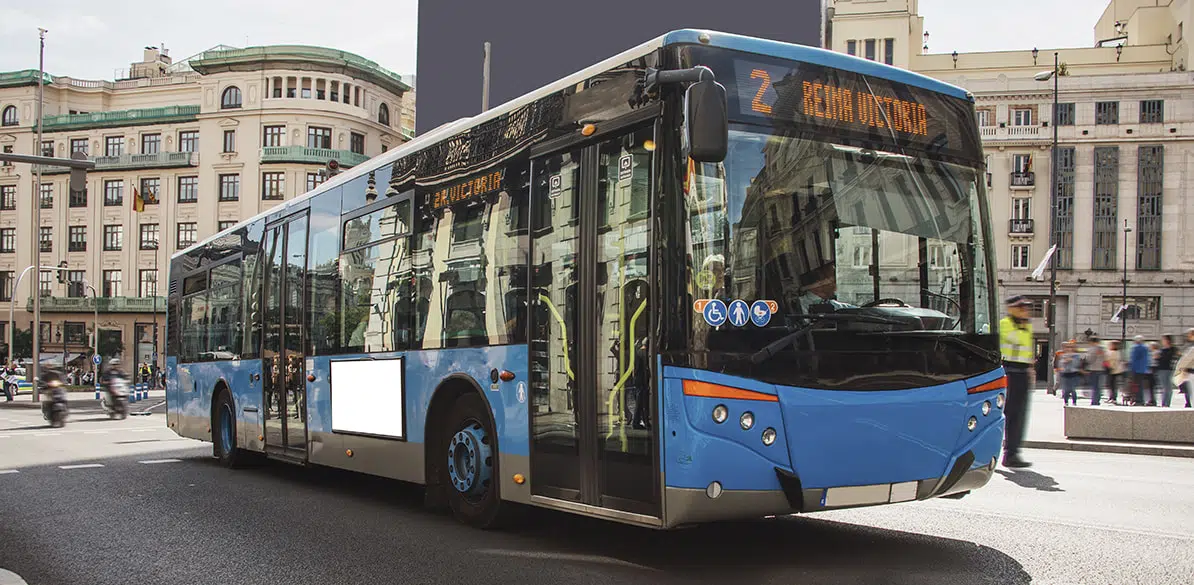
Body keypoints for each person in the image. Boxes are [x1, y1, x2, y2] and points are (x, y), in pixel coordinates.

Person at [999, 295, 1035, 468]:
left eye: (1026, 308)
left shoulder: (1025, 326)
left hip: (1022, 373)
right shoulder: (1006, 324)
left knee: (1019, 415)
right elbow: (1015, 340)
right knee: (1007, 414)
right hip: (1009, 371)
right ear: (1011, 308)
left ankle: (1012, 453)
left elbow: (1027, 350)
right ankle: (1004, 452)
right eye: (1021, 307)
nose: (1025, 311)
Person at [1058, 340, 1085, 406]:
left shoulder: (1076, 356)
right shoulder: (1063, 355)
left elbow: (1078, 364)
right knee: (1066, 389)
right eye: (1067, 347)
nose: (1068, 349)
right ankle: (1066, 402)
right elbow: (1060, 364)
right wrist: (1064, 362)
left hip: (1073, 374)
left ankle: (1074, 402)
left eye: (1070, 347)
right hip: (1065, 374)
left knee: (1073, 389)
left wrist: (1071, 360)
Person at [1129, 335, 1153, 406]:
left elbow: (1133, 359)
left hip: (1136, 369)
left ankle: (1138, 400)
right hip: (1143, 369)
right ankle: (1141, 399)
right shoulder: (1146, 348)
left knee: (1136, 386)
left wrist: (1131, 368)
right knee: (1141, 385)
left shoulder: (1135, 348)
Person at [1086, 336, 1107, 405]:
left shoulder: (1092, 349)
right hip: (1101, 369)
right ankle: (1097, 400)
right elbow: (1105, 358)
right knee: (1098, 386)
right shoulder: (1102, 349)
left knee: (1094, 386)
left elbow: (1089, 359)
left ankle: (1094, 401)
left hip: (1093, 369)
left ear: (1091, 342)